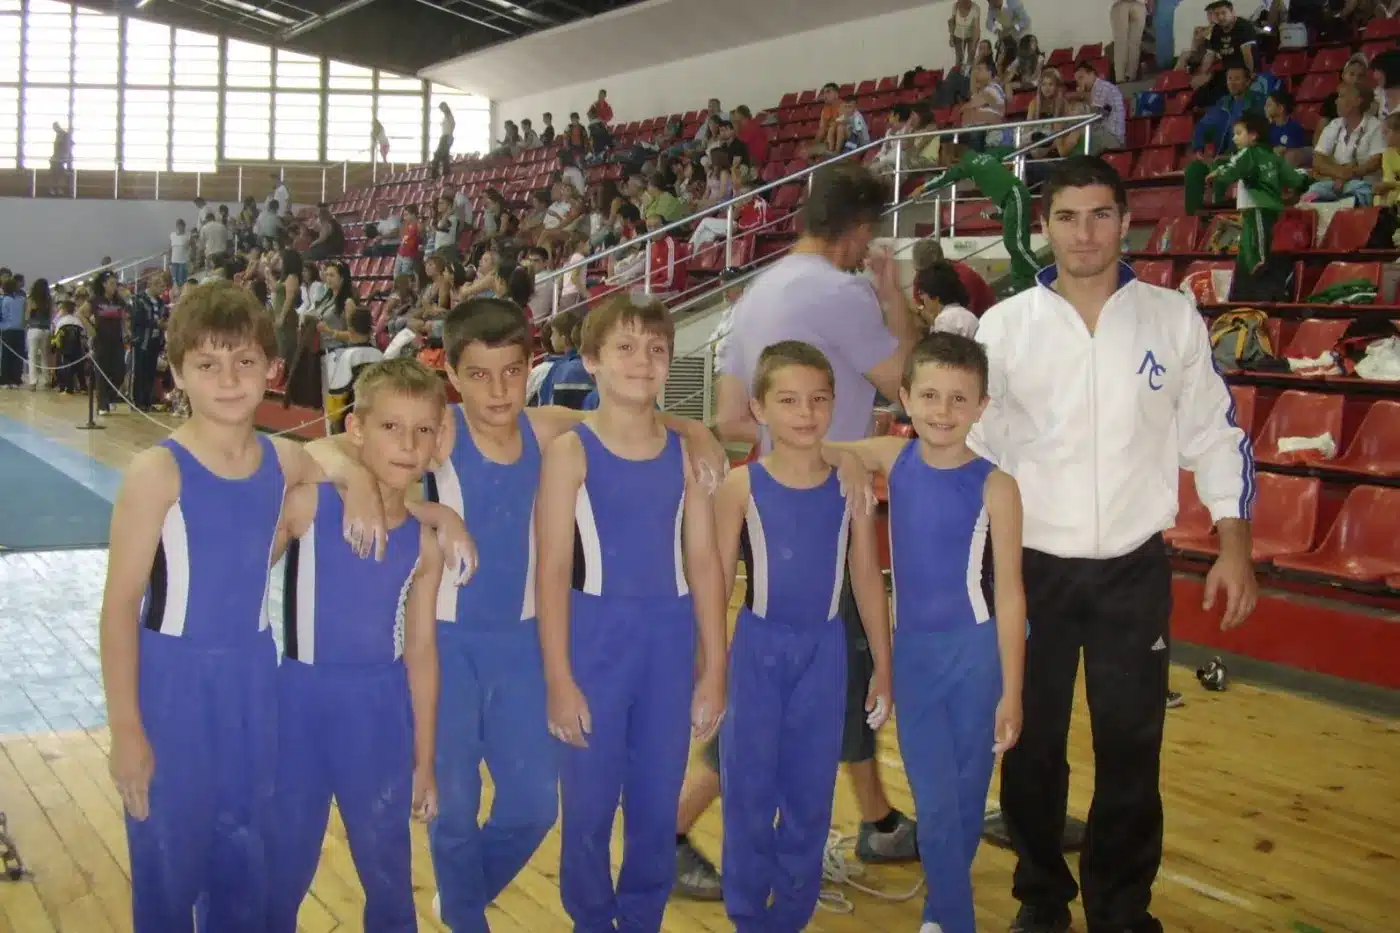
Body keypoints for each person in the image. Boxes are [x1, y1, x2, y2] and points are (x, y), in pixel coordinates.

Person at [96, 282, 437, 933]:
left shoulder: (282, 460)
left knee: (244, 852)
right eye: (208, 363)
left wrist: (371, 484)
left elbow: (345, 458)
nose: (228, 378)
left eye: (245, 361)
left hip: (255, 679)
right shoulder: (157, 472)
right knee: (170, 853)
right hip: (174, 680)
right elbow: (118, 611)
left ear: (271, 370)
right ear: (178, 373)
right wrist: (127, 729)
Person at [972, 157, 1258, 933]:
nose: (1084, 233)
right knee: (1030, 747)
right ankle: (1039, 897)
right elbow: (970, 449)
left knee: (1132, 745)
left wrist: (1234, 540)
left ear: (1125, 220)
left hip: (1134, 570)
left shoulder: (1171, 316)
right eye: (1068, 217)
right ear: (1045, 225)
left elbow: (1214, 434)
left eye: (1100, 215)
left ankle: (1122, 908)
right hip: (1031, 573)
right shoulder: (1004, 328)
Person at [419, 297, 725, 931]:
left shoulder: (552, 428)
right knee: (470, 805)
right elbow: (345, 450)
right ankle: (480, 914)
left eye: (510, 371)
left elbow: (700, 552)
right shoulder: (449, 431)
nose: (497, 388)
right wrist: (431, 511)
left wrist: (699, 429)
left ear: (531, 366)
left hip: (574, 642)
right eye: (477, 374)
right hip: (474, 640)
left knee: (574, 801)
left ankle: (622, 914)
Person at [714, 161, 922, 864]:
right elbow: (912, 383)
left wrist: (788, 442)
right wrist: (895, 301)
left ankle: (879, 816)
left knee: (827, 672)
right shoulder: (842, 290)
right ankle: (678, 823)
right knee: (818, 676)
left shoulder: (756, 291)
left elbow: (729, 418)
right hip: (823, 505)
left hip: (769, 500)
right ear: (859, 230)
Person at [537, 295, 728, 933]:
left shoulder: (686, 454)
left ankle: (642, 917)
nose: (642, 362)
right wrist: (560, 680)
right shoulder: (571, 452)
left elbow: (704, 563)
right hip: (594, 641)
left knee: (653, 803)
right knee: (588, 806)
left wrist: (715, 666)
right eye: (624, 348)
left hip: (668, 643)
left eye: (655, 350)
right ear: (590, 361)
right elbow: (552, 572)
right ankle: (591, 920)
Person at [826, 332, 1027, 933]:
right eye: (930, 396)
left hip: (978, 657)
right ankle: (952, 919)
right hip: (914, 659)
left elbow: (1013, 592)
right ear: (906, 400)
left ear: (982, 407)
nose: (943, 412)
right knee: (937, 803)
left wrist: (1013, 691)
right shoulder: (896, 457)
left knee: (963, 801)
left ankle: (941, 915)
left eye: (959, 399)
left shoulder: (997, 485)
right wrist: (856, 463)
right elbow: (822, 448)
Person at [713, 341, 893, 933]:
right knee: (748, 790)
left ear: (834, 406)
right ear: (760, 409)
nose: (805, 412)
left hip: (825, 652)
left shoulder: (849, 485)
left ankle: (790, 914)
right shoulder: (742, 488)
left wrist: (884, 668)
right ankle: (745, 915)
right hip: (758, 649)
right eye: (788, 400)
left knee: (810, 793)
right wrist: (710, 668)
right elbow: (714, 584)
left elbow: (866, 577)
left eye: (818, 399)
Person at [266, 359, 447, 932]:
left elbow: (421, 652)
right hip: (296, 706)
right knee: (281, 864)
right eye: (391, 427)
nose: (408, 444)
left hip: (379, 711)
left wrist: (424, 760)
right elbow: (276, 454)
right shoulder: (309, 506)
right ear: (357, 430)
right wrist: (350, 476)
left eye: (423, 430)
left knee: (387, 868)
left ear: (439, 439)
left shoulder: (424, 544)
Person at [919, 140, 1040, 294]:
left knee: (1017, 243)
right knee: (1011, 243)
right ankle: (1020, 284)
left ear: (952, 156)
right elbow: (1006, 151)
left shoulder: (967, 164)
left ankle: (1042, 273)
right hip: (1008, 199)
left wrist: (922, 188)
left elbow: (946, 177)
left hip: (1014, 195)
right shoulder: (983, 156)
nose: (946, 165)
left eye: (944, 160)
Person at [1199, 113, 1311, 274]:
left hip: (1256, 207)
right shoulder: (1273, 156)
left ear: (1253, 136)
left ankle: (1258, 277)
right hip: (1266, 208)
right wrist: (1306, 178)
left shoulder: (1248, 153)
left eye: (1238, 133)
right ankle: (1247, 276)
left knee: (1256, 247)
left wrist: (1216, 173)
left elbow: (1233, 168)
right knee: (1249, 245)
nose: (1234, 139)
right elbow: (1293, 178)